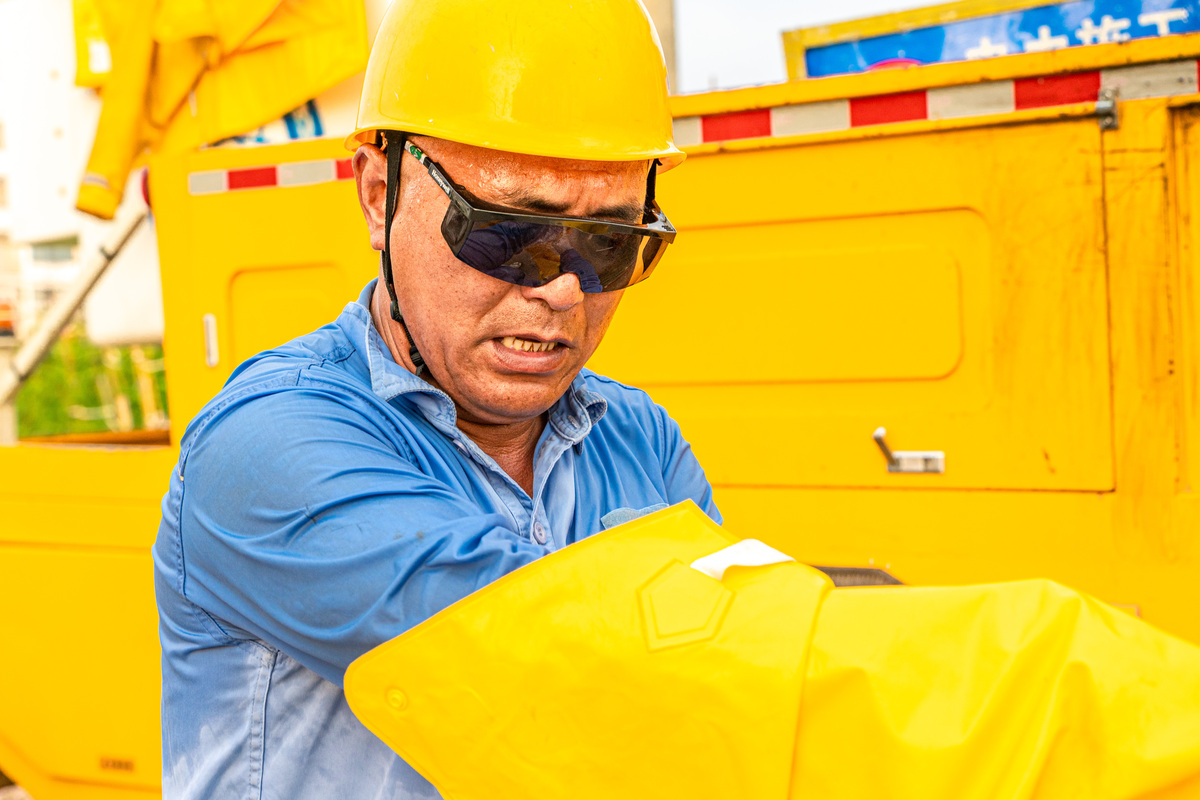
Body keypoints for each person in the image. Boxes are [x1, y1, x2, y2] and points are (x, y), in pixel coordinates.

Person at [151, 1, 715, 797]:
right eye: (508, 233)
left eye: (609, 244)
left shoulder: (642, 443)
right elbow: (537, 660)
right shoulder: (267, 446)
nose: (560, 290)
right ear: (379, 193)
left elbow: (708, 709)